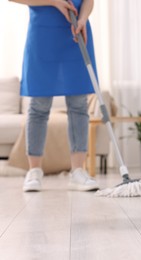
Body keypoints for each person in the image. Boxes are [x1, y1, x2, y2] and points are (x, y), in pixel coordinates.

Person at [9, 0, 99, 192]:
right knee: (39, 104)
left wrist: (83, 18)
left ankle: (77, 172)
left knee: (79, 104)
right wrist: (54, 1)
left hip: (76, 31)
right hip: (43, 34)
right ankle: (34, 171)